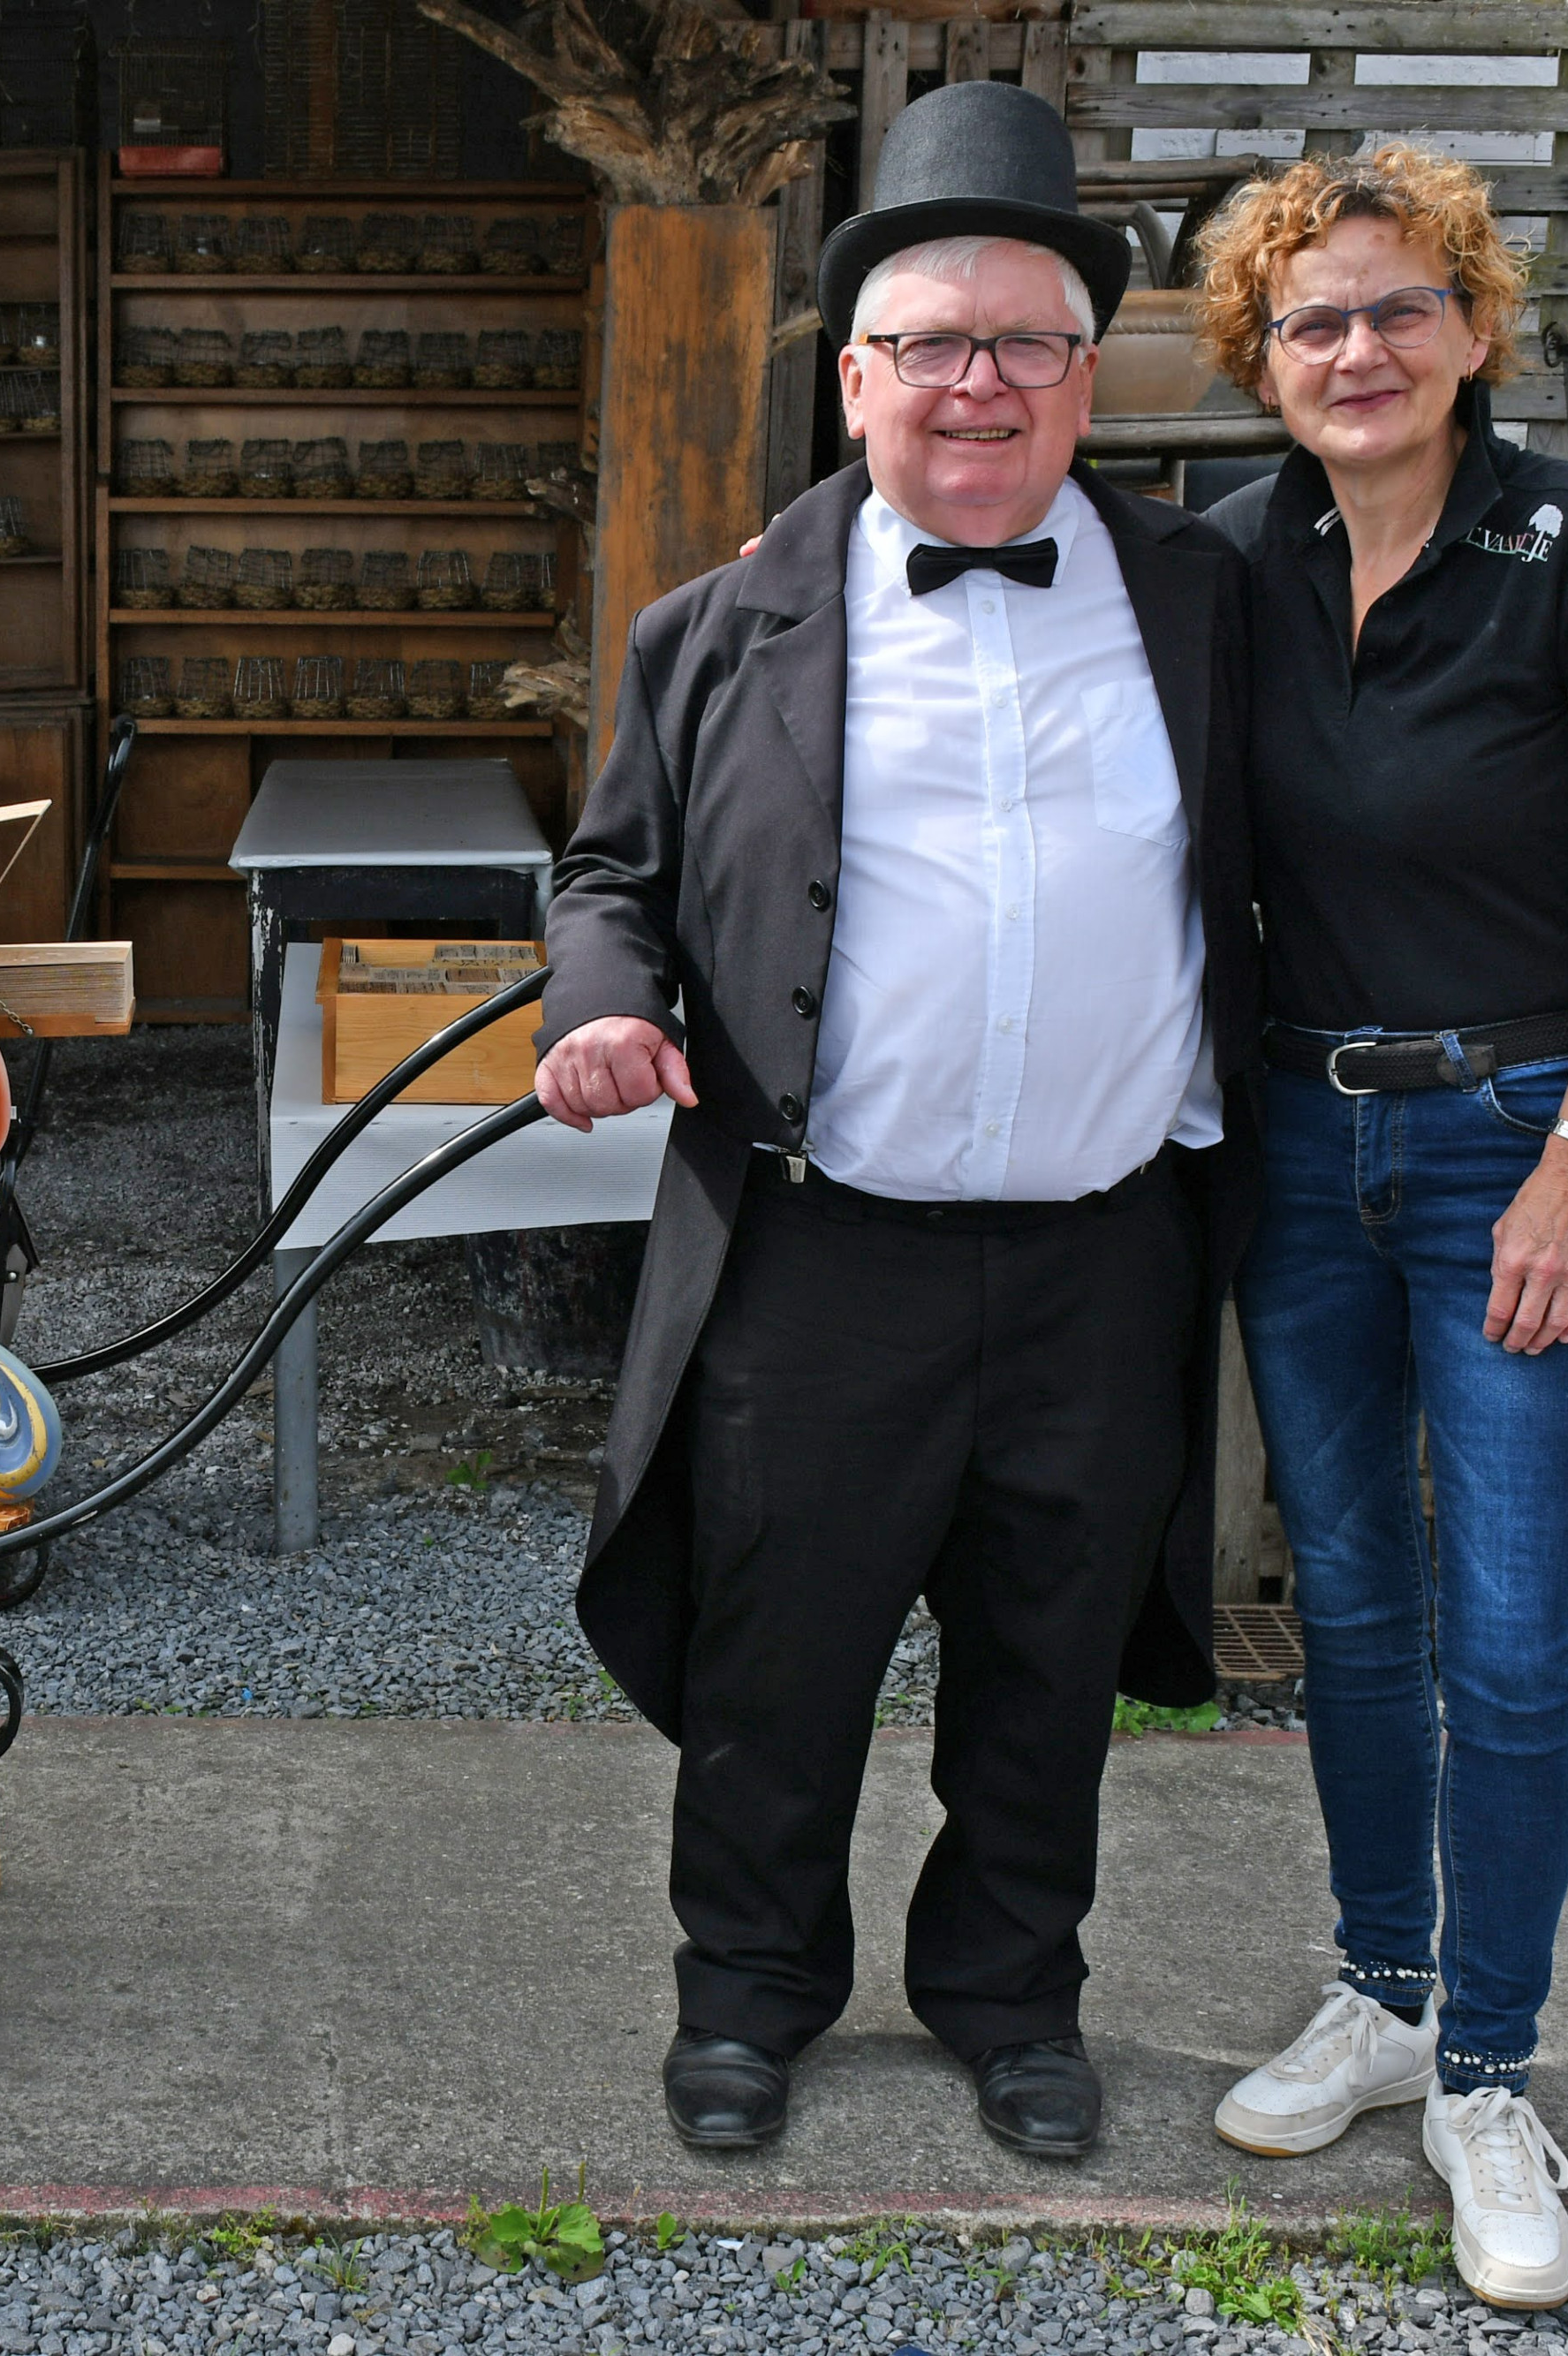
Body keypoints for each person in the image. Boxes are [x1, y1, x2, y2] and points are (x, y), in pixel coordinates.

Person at [534, 78, 1257, 2162]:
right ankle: (746, 1992)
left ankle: (1010, 1995)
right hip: (821, 1243)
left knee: (1045, 1665)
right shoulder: (719, 624)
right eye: (931, 343)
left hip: (1103, 1249)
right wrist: (600, 1009)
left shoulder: (1202, 603)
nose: (978, 385)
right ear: (855, 378)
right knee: (780, 1655)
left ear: (1083, 379)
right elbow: (607, 879)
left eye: (1023, 342)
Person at [1188, 147, 1568, 2307]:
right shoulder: (1233, 563)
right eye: (1311, 321)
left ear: (1474, 327)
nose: (1357, 349)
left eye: (1398, 308)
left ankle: (1488, 2067)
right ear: (1261, 362)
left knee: (1507, 1641)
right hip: (1305, 1145)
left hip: (1518, 1131)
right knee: (1355, 1612)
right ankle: (1380, 1988)